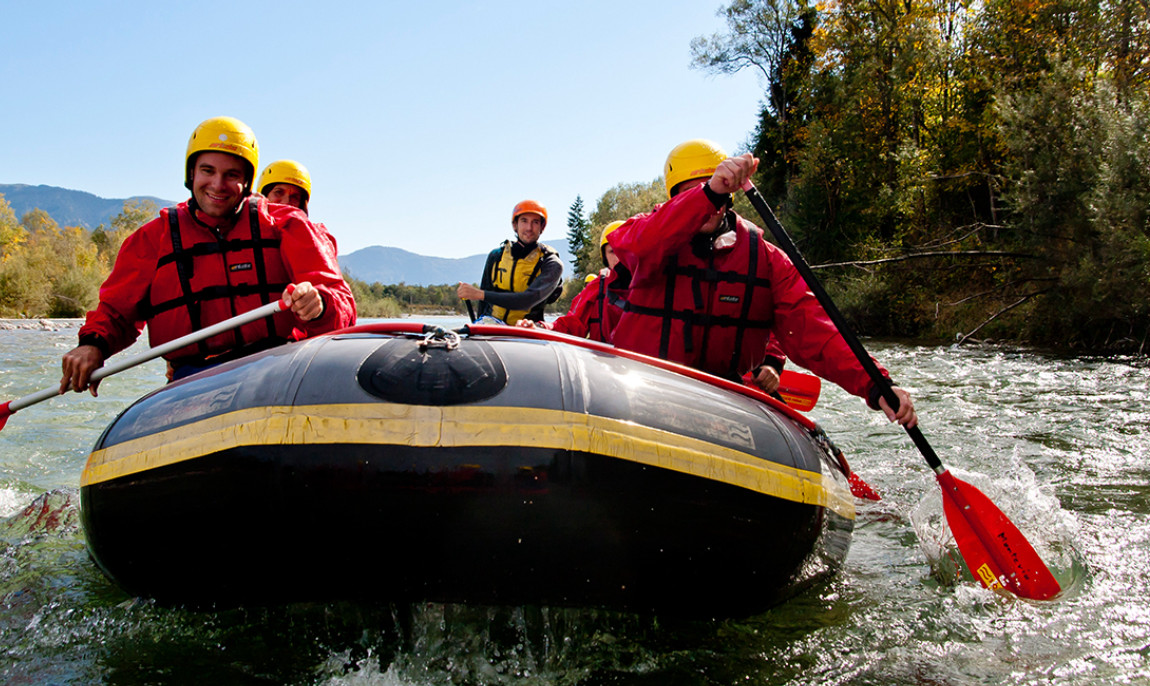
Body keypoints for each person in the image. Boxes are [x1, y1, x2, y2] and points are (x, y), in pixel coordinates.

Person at [607, 139, 916, 426]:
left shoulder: (766, 259)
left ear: (730, 195)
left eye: (713, 189)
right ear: (676, 198)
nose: (707, 201)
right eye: (691, 192)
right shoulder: (646, 234)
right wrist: (707, 193)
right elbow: (639, 244)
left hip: (720, 400)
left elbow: (815, 331)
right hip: (643, 391)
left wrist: (876, 384)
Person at [60, 116, 357, 393]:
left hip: (277, 370)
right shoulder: (153, 239)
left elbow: (342, 307)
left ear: (247, 181)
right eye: (207, 171)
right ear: (191, 173)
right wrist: (93, 345)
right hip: (193, 379)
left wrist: (319, 305)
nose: (217, 185)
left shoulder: (287, 226)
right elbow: (115, 312)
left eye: (231, 175)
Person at [518, 220, 628, 342]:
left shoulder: (650, 287)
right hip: (604, 360)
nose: (619, 257)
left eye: (624, 250)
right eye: (612, 252)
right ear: (605, 256)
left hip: (641, 360)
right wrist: (540, 328)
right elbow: (570, 325)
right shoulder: (596, 287)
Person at [457, 199, 563, 326]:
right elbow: (484, 305)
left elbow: (527, 301)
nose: (529, 228)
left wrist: (479, 294)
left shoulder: (551, 263)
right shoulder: (496, 256)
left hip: (527, 327)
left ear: (542, 227)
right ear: (515, 225)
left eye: (535, 222)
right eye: (524, 221)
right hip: (494, 324)